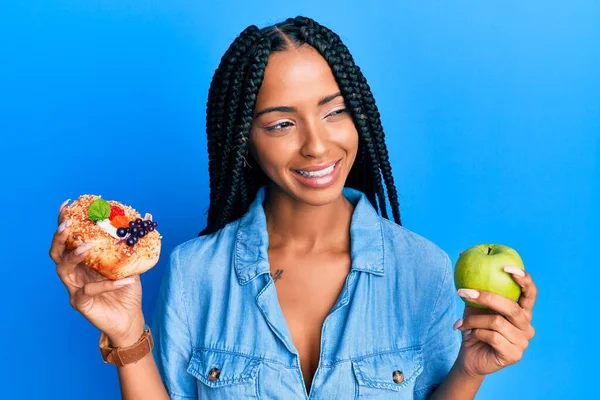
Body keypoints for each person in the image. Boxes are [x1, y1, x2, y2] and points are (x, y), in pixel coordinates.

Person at [49, 16, 537, 399]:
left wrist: (469, 371)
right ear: (245, 143)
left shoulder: (422, 268)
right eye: (282, 124)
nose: (318, 146)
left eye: (335, 111)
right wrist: (127, 332)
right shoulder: (196, 272)